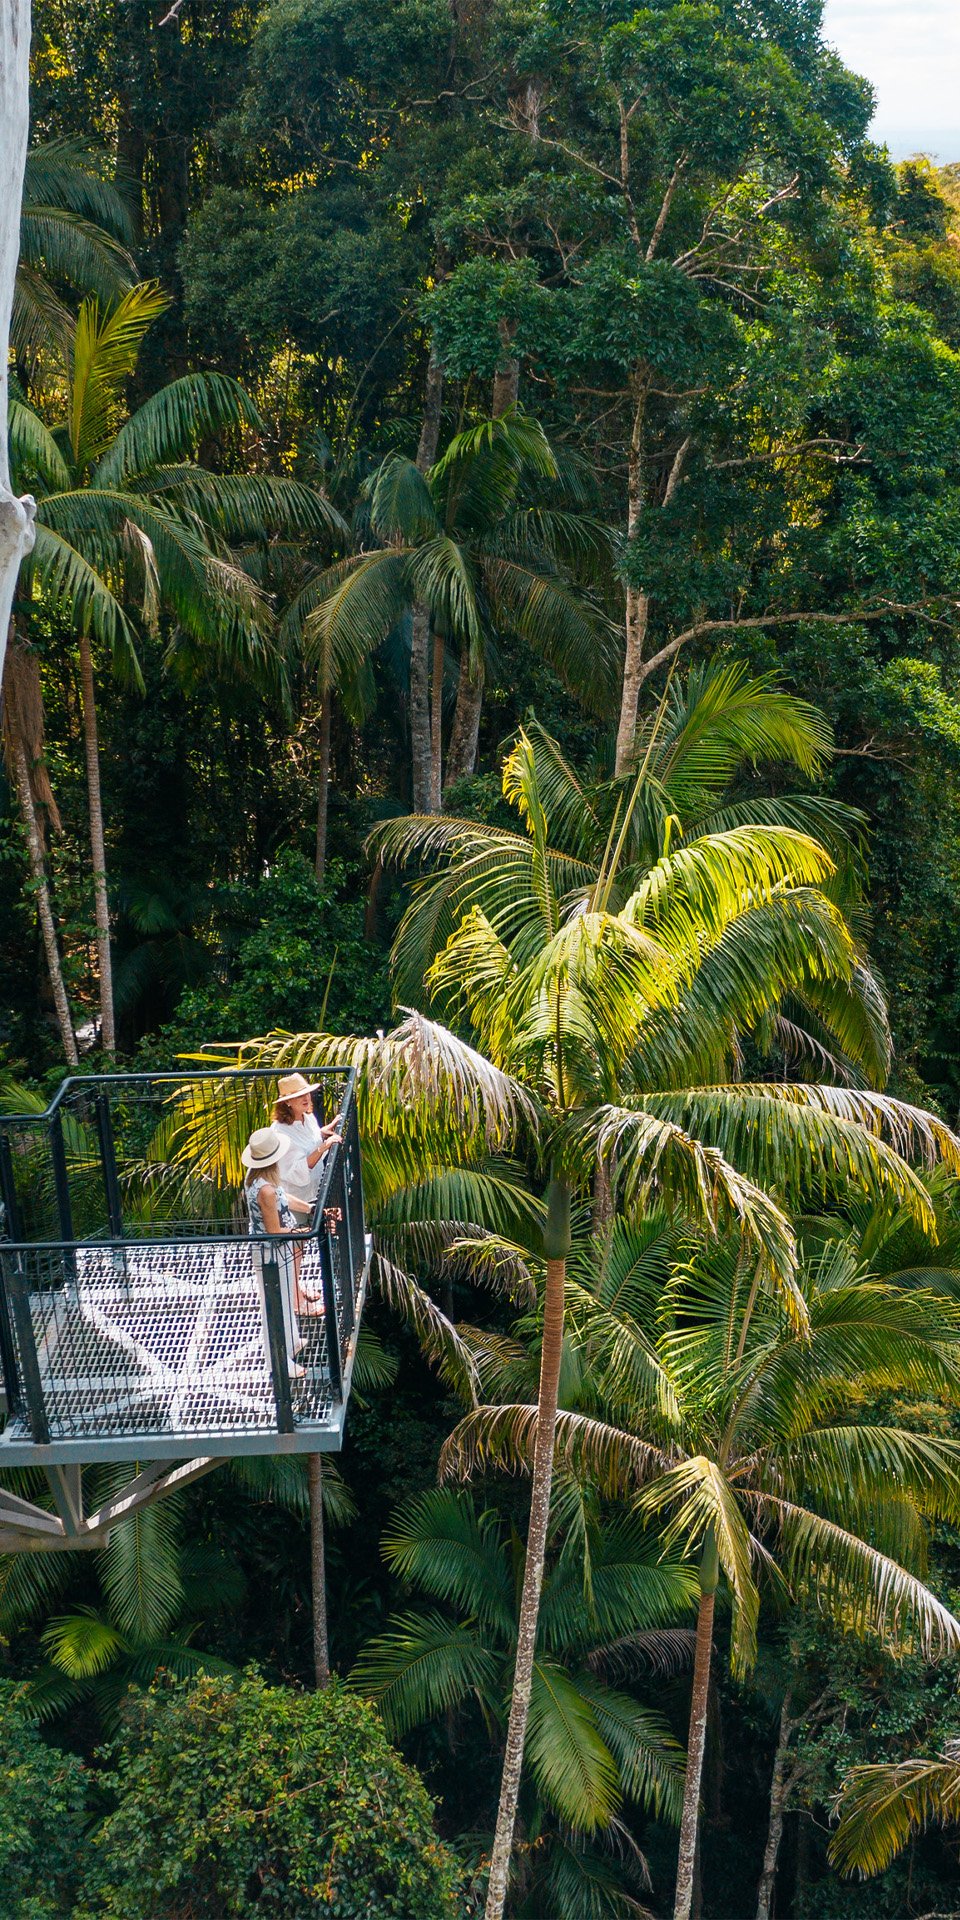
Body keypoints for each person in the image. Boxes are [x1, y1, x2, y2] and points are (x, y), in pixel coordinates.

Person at [241, 1124, 321, 1379]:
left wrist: (310, 1209)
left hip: (279, 1251)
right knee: (274, 1305)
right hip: (270, 1254)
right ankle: (278, 1361)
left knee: (286, 1297)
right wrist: (305, 1232)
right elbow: (275, 1230)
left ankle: (292, 1339)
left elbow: (283, 1197)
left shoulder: (261, 1178)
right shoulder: (263, 1189)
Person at [272, 1073, 343, 1208]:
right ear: (287, 1102)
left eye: (307, 1093)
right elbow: (296, 1171)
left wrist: (322, 1134)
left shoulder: (309, 1118)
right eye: (299, 1096)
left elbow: (309, 1142)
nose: (306, 1098)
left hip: (316, 1194)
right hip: (294, 1202)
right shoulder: (279, 1132)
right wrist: (324, 1146)